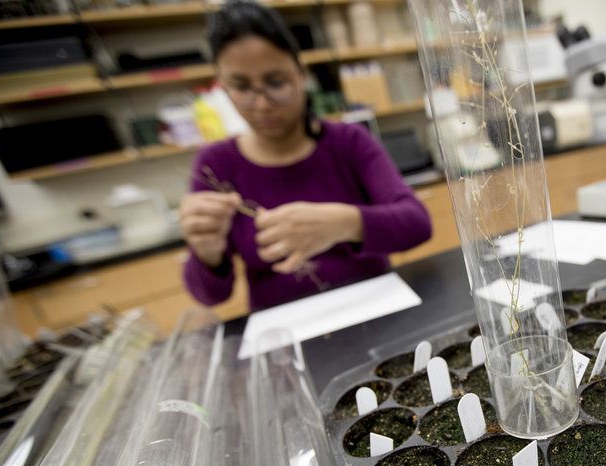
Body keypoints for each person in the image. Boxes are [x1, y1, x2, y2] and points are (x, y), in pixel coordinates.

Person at [179, 0, 431, 311]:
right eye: (242, 87)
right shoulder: (215, 165)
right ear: (224, 87)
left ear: (300, 75)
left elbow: (417, 223)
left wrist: (345, 223)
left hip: (374, 309)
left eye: (275, 83)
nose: (262, 104)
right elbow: (211, 297)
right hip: (283, 329)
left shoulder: (348, 141)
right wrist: (206, 253)